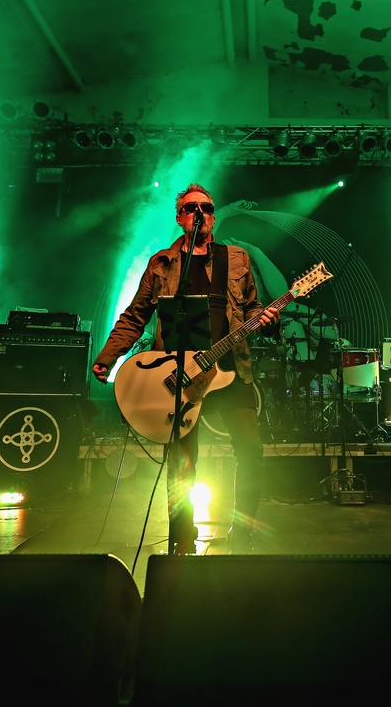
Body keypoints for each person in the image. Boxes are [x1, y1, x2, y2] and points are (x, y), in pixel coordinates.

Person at [92, 184, 279, 554]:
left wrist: (267, 319)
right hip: (181, 373)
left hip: (229, 370)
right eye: (191, 208)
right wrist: (108, 356)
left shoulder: (236, 259)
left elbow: (253, 307)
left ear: (213, 217)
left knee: (250, 452)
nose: (199, 213)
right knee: (182, 462)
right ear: (180, 218)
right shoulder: (161, 263)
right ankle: (181, 537)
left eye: (206, 208)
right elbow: (135, 316)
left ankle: (243, 533)